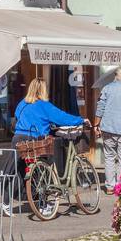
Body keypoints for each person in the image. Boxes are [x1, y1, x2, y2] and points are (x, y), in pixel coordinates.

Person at [11, 79, 87, 215]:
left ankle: (9, 202)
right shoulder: (44, 105)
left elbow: (17, 117)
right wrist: (81, 120)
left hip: (18, 138)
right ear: (43, 90)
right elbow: (61, 117)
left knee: (18, 170)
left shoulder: (22, 104)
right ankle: (43, 204)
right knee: (44, 168)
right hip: (35, 139)